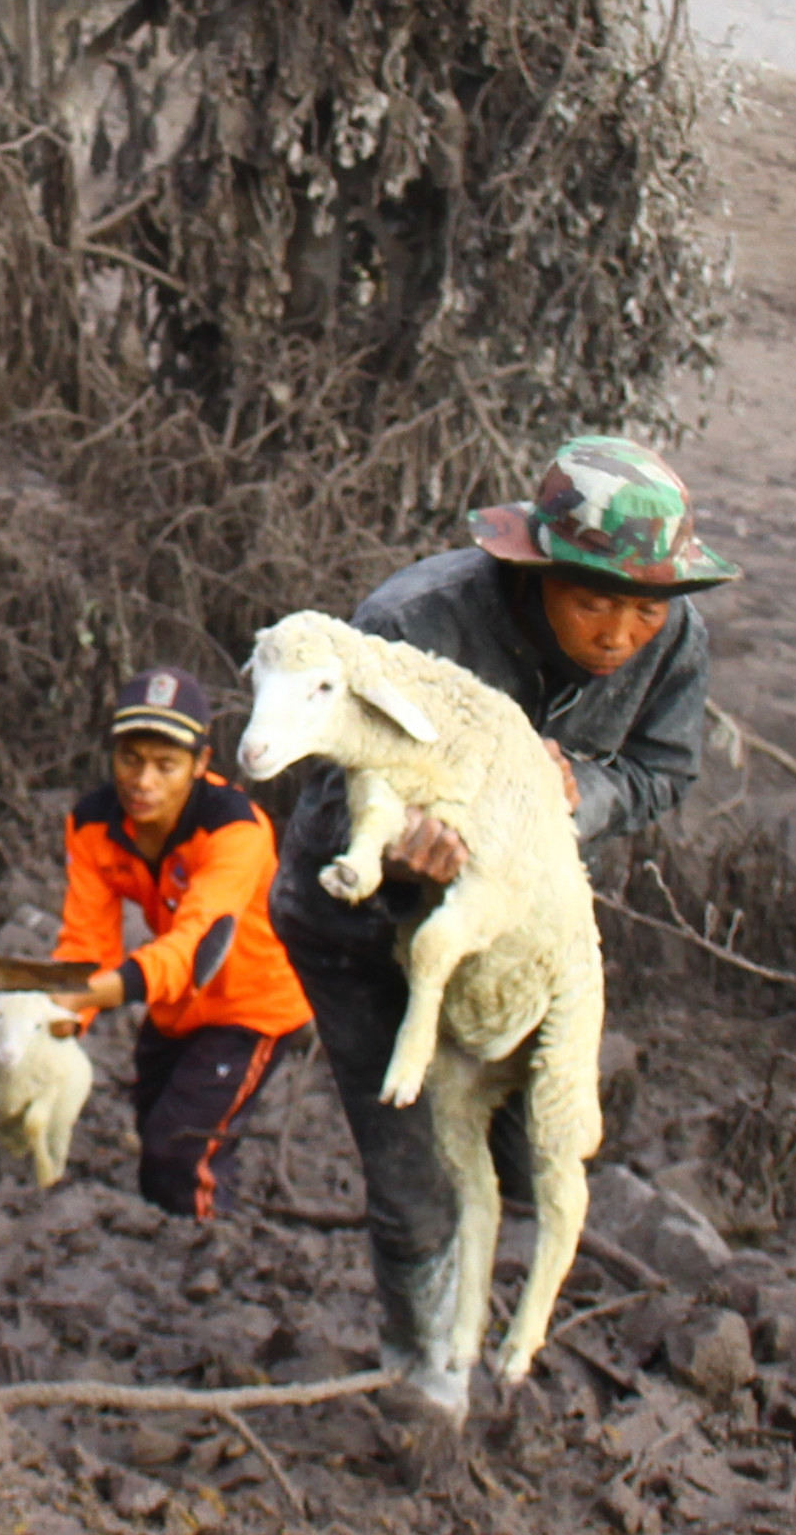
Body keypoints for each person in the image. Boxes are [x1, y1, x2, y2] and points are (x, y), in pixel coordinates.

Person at [267, 435, 736, 1405]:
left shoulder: (672, 639)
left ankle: (560, 1251)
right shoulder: (415, 625)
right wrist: (400, 853)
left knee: (534, 1145)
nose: (618, 635)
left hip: (514, 927)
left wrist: (583, 797)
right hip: (361, 935)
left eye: (642, 608)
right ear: (533, 573)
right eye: (593, 601)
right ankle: (427, 1379)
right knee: (415, 1170)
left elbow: (661, 771)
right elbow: (325, 815)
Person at [57, 667, 314, 1217]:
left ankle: (208, 1257)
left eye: (165, 765)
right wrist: (59, 1020)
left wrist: (106, 991)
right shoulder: (92, 823)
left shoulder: (235, 830)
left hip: (253, 1005)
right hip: (176, 1005)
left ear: (200, 765)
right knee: (153, 1128)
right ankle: (172, 1244)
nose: (142, 781)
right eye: (130, 759)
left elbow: (201, 943)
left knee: (180, 1152)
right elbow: (86, 939)